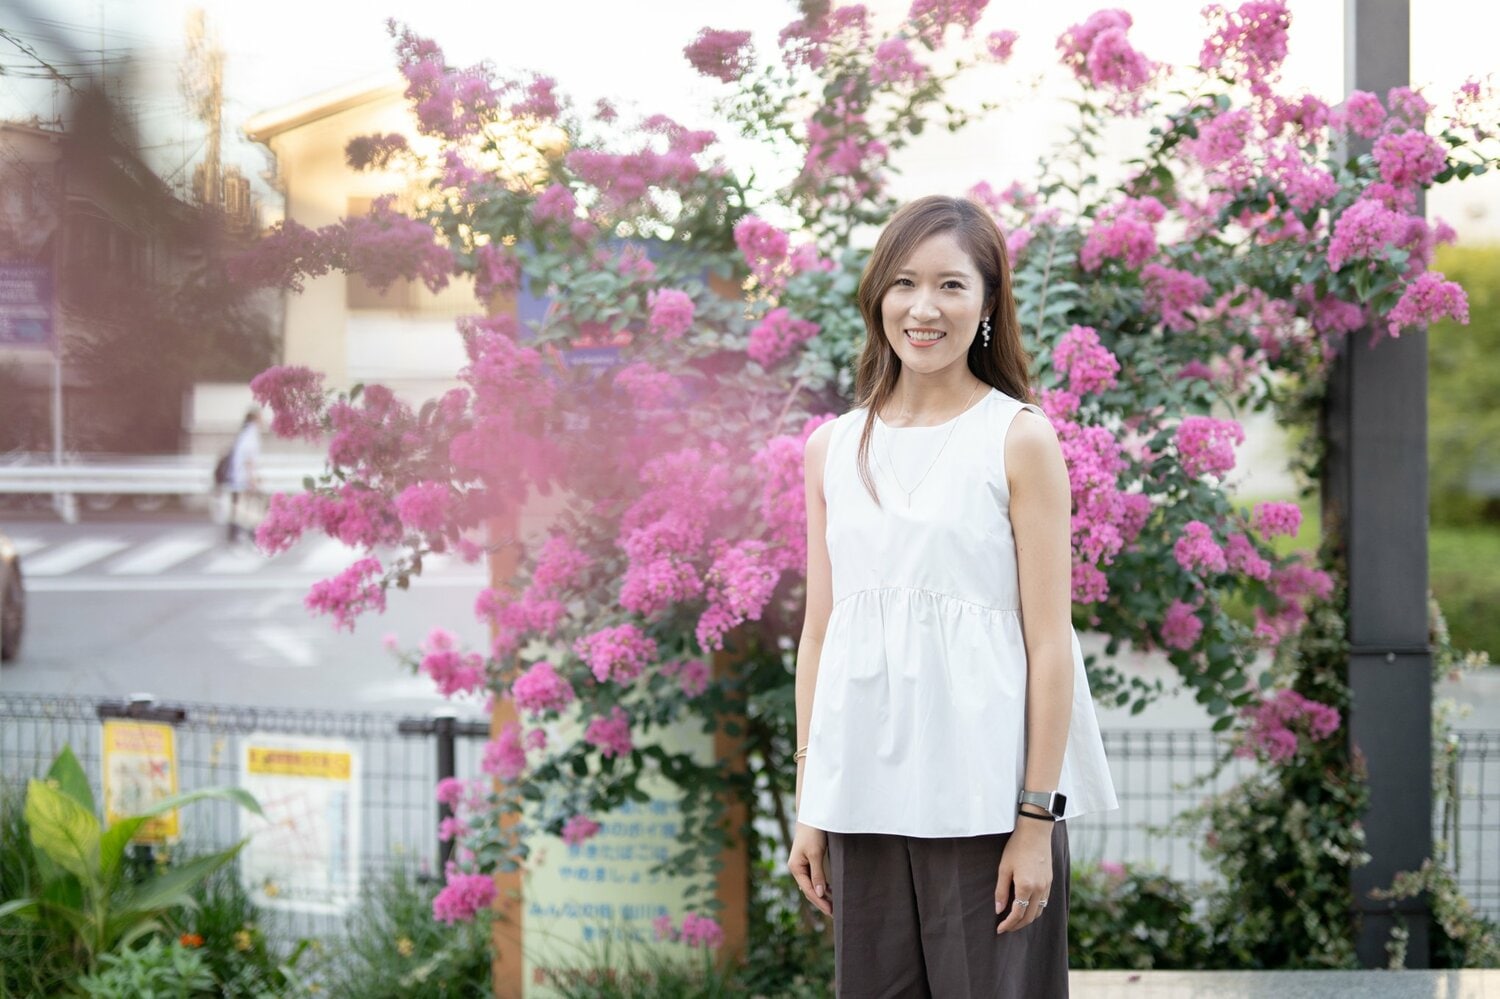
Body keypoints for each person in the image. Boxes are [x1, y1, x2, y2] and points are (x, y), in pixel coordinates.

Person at [786, 195, 1119, 998]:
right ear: (877, 297)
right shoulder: (831, 447)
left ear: (987, 304)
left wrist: (1035, 820)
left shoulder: (1019, 437)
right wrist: (811, 798)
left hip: (987, 803)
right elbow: (822, 635)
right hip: (862, 795)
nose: (923, 307)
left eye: (949, 285)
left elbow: (1048, 641)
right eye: (903, 283)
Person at [224, 407, 262, 544]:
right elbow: (249, 459)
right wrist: (252, 479)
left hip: (237, 477)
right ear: (255, 418)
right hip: (243, 478)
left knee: (241, 506)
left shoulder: (244, 433)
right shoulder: (251, 434)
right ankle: (251, 534)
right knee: (248, 506)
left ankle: (235, 533)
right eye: (260, 417)